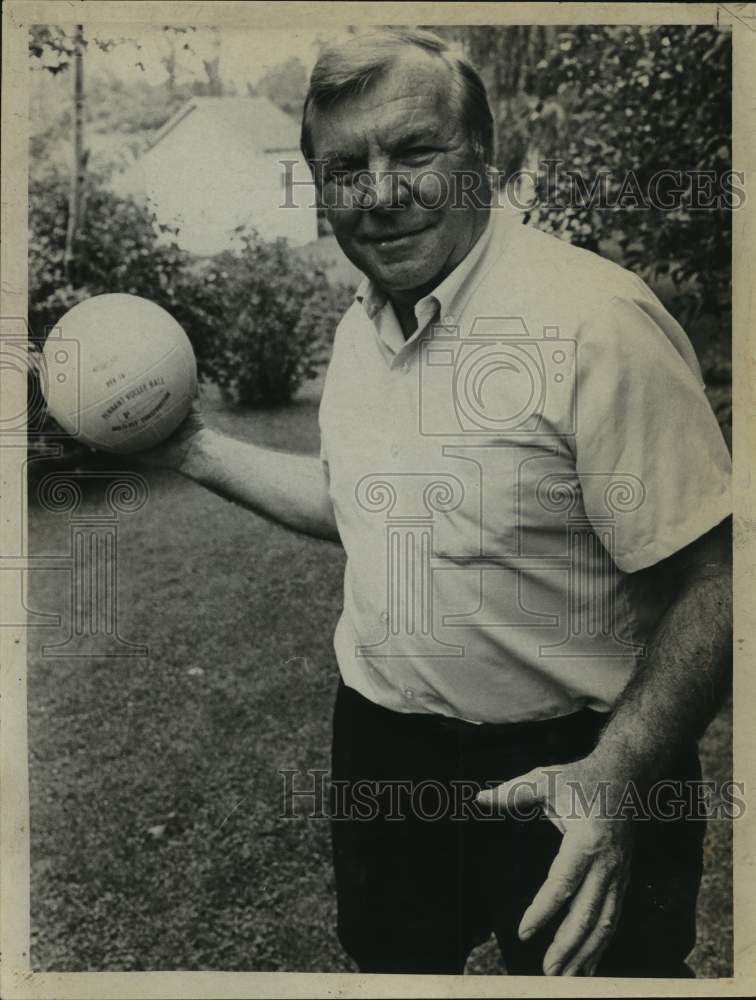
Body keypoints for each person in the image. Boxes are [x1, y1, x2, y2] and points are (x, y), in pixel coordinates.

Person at [144, 28, 733, 977]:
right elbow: (362, 505)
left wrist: (619, 774)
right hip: (383, 744)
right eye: (345, 166)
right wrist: (190, 446)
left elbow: (717, 579)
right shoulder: (362, 324)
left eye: (416, 151)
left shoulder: (594, 324)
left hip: (578, 757)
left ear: (483, 158)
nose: (379, 194)